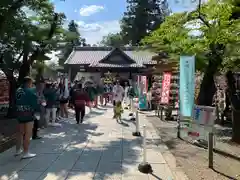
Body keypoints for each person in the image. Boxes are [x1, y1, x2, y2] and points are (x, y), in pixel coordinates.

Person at [15, 76, 39, 159]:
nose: (31, 84)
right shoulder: (29, 91)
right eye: (31, 83)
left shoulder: (18, 90)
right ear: (29, 83)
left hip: (19, 113)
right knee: (28, 134)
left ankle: (18, 150)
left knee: (20, 133)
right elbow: (35, 104)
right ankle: (26, 152)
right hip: (28, 114)